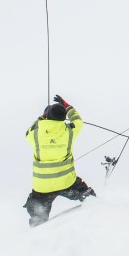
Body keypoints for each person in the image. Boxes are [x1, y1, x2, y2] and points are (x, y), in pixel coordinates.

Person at [23, 94, 96, 227]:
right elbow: (78, 120)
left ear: (48, 115)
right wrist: (67, 106)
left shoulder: (36, 132)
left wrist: (42, 116)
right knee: (89, 197)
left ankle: (37, 224)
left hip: (42, 187)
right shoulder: (69, 131)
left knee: (37, 214)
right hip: (67, 183)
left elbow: (28, 132)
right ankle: (97, 210)